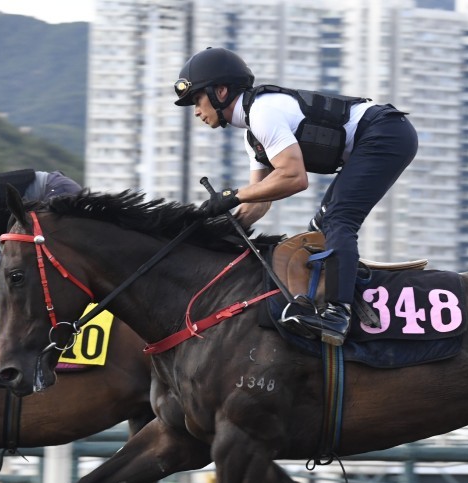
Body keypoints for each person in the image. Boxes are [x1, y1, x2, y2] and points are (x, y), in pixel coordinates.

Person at [173, 47, 418, 346]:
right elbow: (259, 202)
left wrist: (231, 195)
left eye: (196, 100)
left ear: (220, 91)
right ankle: (330, 298)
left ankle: (337, 314)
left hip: (387, 132)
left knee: (338, 221)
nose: (196, 111)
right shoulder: (254, 135)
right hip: (377, 136)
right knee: (320, 228)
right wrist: (215, 229)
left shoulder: (264, 113)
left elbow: (293, 178)